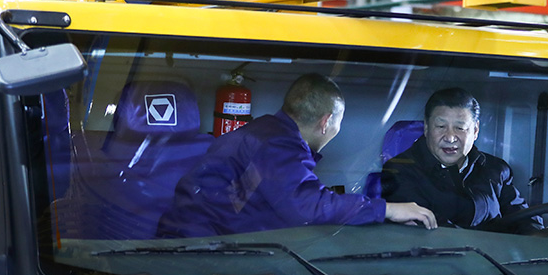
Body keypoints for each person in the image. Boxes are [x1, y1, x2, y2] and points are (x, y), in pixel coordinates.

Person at [158, 73, 436, 237]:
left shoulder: (266, 132)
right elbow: (305, 206)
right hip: (195, 255)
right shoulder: (278, 145)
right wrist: (388, 209)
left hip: (199, 242)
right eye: (338, 123)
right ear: (326, 122)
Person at [380, 87, 541, 233]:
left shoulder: (496, 169)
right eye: (441, 126)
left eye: (460, 128)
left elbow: (523, 218)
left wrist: (537, 237)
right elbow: (430, 230)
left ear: (475, 130)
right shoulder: (399, 171)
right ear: (427, 128)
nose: (450, 137)